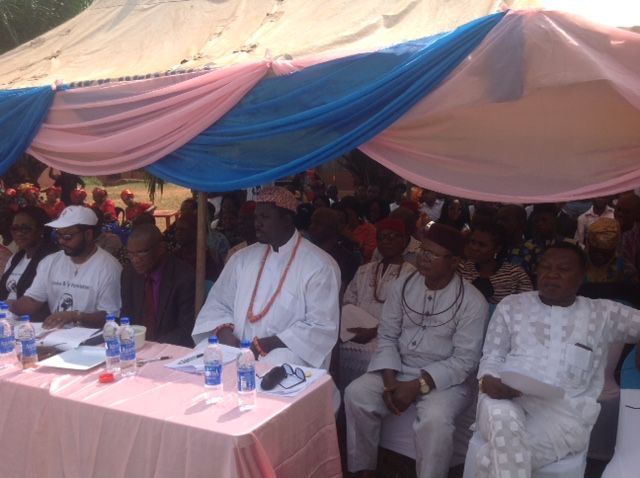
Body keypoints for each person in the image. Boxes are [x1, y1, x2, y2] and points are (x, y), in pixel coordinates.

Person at [473, 242, 640, 478]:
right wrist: (488, 379)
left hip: (565, 413)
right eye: (545, 268)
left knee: (492, 460)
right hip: (505, 396)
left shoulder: (603, 313)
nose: (552, 275)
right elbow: (492, 354)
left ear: (581, 277)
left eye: (563, 269)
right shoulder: (511, 305)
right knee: (503, 419)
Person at [345, 224, 489, 478]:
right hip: (397, 367)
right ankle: (362, 469)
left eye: (434, 254)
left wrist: (416, 385)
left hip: (447, 380)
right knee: (355, 393)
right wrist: (390, 382)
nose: (424, 257)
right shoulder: (402, 285)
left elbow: (465, 361)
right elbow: (387, 335)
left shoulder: (472, 301)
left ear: (454, 261)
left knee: (436, 420)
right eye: (423, 250)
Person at [192, 187, 341, 369]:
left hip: (288, 353)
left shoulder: (320, 265)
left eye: (265, 218)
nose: (257, 224)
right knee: (204, 353)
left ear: (287, 221)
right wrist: (225, 334)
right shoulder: (242, 258)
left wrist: (264, 345)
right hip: (237, 347)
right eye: (256, 217)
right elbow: (218, 304)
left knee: (278, 361)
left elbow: (320, 327)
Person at [8, 206, 122, 329]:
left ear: (88, 235)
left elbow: (110, 317)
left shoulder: (109, 267)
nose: (61, 241)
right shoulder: (50, 262)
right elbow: (33, 300)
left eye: (67, 236)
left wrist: (75, 316)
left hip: (93, 340)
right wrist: (8, 306)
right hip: (55, 334)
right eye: (58, 235)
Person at [340, 218, 415, 386]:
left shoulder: (413, 276)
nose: (386, 241)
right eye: (382, 237)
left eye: (393, 237)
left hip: (388, 341)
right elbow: (348, 301)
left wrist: (374, 331)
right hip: (354, 335)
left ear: (404, 240)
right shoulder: (364, 270)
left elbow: (410, 316)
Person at [120, 224, 195, 347]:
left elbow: (187, 330)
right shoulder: (129, 274)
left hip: (171, 349)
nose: (135, 260)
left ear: (161, 248)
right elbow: (126, 317)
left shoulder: (183, 276)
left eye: (141, 253)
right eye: (131, 254)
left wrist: (153, 346)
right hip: (137, 348)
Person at [0, 207, 59, 321]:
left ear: (41, 230)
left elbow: (36, 301)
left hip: (32, 323)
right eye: (15, 229)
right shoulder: (16, 258)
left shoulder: (52, 259)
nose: (19, 233)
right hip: (7, 320)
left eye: (26, 229)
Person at [460, 222, 533, 304]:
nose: (475, 248)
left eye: (482, 245)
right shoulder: (462, 268)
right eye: (472, 242)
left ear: (497, 249)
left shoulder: (515, 273)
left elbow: (528, 304)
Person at [308, 207, 360, 299]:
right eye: (312, 222)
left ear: (332, 228)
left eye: (318, 223)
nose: (312, 227)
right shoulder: (305, 253)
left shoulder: (347, 260)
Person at [496, 204, 542, 282]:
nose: (499, 223)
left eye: (505, 220)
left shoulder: (533, 251)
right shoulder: (492, 248)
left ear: (521, 222)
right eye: (498, 220)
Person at [584, 218, 637, 284]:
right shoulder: (577, 263)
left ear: (615, 249)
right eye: (596, 251)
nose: (600, 256)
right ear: (588, 244)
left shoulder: (624, 269)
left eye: (605, 253)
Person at [615, 192, 640, 273]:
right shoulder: (608, 229)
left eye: (626, 212)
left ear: (637, 214)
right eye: (618, 209)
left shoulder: (636, 237)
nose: (620, 214)